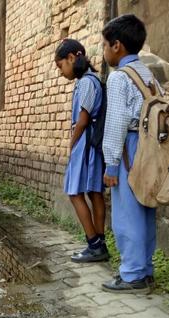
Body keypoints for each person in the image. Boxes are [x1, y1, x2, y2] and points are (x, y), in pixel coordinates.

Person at [100, 14, 157, 294]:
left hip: (129, 147)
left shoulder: (119, 78)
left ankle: (132, 274)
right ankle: (145, 269)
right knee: (146, 209)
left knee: (127, 213)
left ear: (117, 45)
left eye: (104, 45)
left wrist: (111, 164)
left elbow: (116, 122)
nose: (104, 51)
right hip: (150, 148)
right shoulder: (147, 74)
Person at [54, 39, 108, 263]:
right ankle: (100, 245)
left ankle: (93, 243)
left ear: (72, 58)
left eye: (61, 66)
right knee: (95, 193)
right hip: (93, 145)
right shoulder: (94, 80)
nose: (61, 72)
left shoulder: (86, 82)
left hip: (85, 144)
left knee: (74, 192)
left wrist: (72, 143)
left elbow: (83, 119)